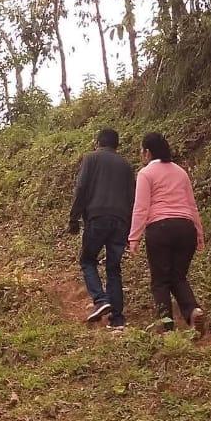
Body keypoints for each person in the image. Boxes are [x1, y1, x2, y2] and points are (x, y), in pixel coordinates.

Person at [128, 133, 206, 334]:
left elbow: (141, 208)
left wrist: (134, 237)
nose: (140, 154)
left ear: (148, 152)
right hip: (186, 227)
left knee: (160, 279)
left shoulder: (146, 174)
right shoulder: (181, 172)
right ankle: (193, 311)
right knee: (178, 277)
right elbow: (192, 205)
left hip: (160, 229)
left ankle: (166, 323)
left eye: (141, 150)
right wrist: (199, 233)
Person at [69, 128, 136, 331]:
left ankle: (100, 299)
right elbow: (133, 197)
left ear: (98, 142)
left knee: (87, 260)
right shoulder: (126, 165)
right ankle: (117, 319)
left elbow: (81, 188)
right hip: (121, 221)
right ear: (116, 145)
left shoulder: (91, 158)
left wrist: (74, 218)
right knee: (114, 268)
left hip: (97, 217)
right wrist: (131, 226)